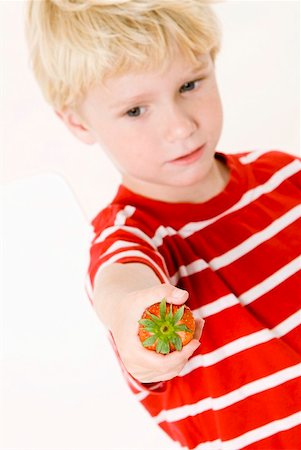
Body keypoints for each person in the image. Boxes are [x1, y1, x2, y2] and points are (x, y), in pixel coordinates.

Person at [25, 1, 301, 448]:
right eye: (136, 110)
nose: (180, 127)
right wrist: (130, 316)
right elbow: (121, 281)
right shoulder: (130, 236)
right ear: (77, 120)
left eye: (190, 84)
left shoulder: (287, 175)